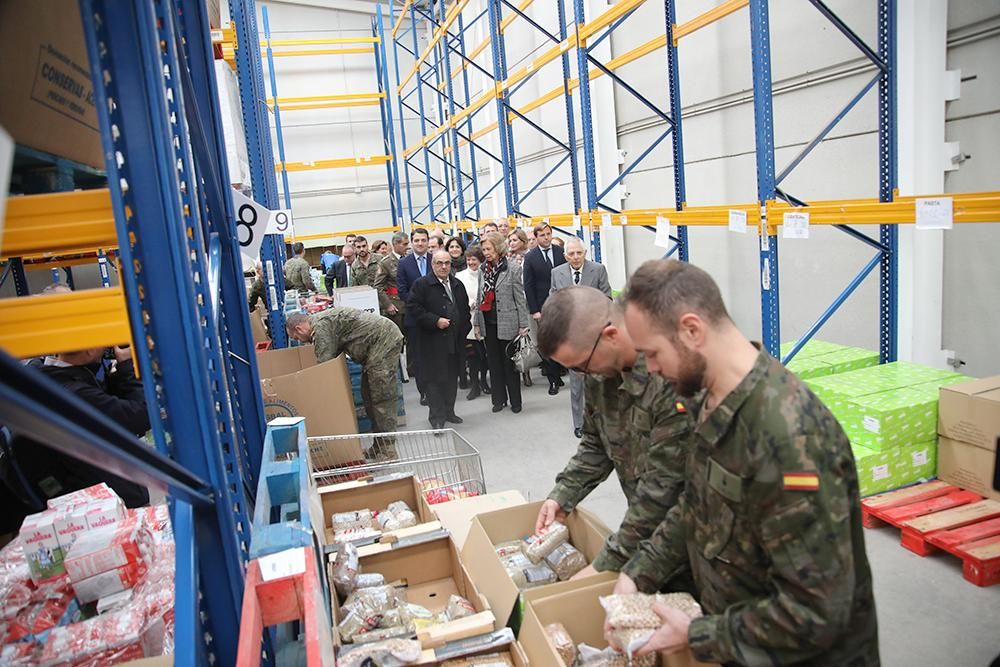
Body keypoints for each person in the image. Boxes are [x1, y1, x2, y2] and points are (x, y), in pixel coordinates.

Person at [610, 259, 878, 664]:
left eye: (653, 352)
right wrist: (638, 572)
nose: (649, 368)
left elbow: (817, 613)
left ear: (692, 330)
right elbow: (698, 505)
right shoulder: (708, 397)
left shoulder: (789, 440)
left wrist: (699, 634)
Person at [534, 286, 691, 582]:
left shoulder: (671, 377)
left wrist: (608, 562)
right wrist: (562, 496)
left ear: (610, 335)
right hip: (648, 533)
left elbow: (667, 489)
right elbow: (596, 443)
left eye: (581, 364)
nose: (581, 374)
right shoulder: (601, 373)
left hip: (693, 541)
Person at [3, 344, 152, 533]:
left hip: (83, 499)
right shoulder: (73, 393)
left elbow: (108, 410)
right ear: (88, 351)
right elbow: (141, 415)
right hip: (107, 511)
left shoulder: (43, 376)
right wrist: (128, 366)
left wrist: (115, 376)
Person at [286, 309, 404, 456]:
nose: (300, 340)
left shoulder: (320, 327)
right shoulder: (322, 324)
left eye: (297, 336)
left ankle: (388, 451)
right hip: (375, 348)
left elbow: (324, 364)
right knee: (368, 397)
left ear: (299, 328)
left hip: (384, 342)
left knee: (381, 399)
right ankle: (378, 446)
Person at [549, 238, 612, 437]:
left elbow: (607, 298)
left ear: (585, 252)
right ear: (565, 255)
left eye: (579, 253)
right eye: (571, 254)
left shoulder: (598, 269)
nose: (575, 257)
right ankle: (580, 423)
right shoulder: (556, 273)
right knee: (576, 383)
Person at [408, 250, 472, 428]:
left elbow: (465, 310)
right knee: (435, 381)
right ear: (432, 264)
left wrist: (463, 329)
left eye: (447, 263)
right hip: (432, 343)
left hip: (455, 341)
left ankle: (450, 412)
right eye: (439, 263)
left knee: (452, 379)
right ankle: (436, 418)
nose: (444, 267)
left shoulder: (457, 284)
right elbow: (414, 308)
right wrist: (435, 321)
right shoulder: (421, 285)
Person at [474, 232, 530, 414]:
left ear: (498, 248)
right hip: (488, 324)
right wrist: (476, 323)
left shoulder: (512, 268)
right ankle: (499, 400)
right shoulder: (483, 269)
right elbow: (478, 296)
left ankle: (515, 401)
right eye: (483, 249)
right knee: (494, 365)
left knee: (509, 365)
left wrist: (523, 325)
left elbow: (520, 298)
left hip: (509, 323)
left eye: (488, 249)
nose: (486, 252)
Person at [522, 222, 566, 395]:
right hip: (541, 306)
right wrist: (534, 310)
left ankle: (560, 372)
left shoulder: (559, 252)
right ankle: (553, 379)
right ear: (536, 237)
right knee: (547, 344)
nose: (546, 237)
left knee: (561, 341)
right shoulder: (531, 257)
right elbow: (528, 285)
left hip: (561, 304)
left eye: (548, 234)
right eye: (542, 235)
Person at [397, 228, 432, 405]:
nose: (420, 243)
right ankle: (424, 391)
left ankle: (438, 389)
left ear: (428, 241)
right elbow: (402, 291)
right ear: (412, 242)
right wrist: (419, 305)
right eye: (417, 240)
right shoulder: (404, 264)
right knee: (419, 357)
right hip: (415, 318)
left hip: (435, 317)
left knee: (436, 355)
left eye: (423, 240)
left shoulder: (435, 260)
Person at [456, 246, 490, 400]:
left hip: (485, 320)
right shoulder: (460, 276)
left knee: (485, 355)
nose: (471, 262)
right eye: (468, 259)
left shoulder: (486, 274)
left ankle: (484, 381)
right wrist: (470, 303)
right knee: (473, 356)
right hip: (468, 321)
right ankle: (475, 385)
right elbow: (458, 296)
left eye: (474, 259)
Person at [373, 231, 408, 335]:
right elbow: (378, 286)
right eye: (404, 244)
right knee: (398, 337)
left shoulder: (409, 260)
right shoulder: (385, 263)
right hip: (397, 307)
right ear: (396, 244)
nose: (407, 247)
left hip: (410, 304)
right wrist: (388, 305)